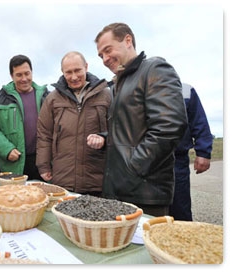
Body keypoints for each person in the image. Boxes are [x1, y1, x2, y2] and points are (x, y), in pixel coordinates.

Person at [94, 22, 187, 217]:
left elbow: (169, 126)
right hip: (118, 190)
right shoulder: (120, 83)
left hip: (145, 193)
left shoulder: (155, 69)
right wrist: (105, 137)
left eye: (108, 50)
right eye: (101, 55)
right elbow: (130, 130)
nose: (104, 58)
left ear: (128, 40)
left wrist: (134, 166)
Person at [36, 51, 111, 196]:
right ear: (62, 72)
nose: (74, 77)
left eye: (78, 70)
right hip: (64, 179)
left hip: (97, 179)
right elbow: (44, 134)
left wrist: (104, 138)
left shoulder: (106, 95)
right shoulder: (52, 99)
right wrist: (43, 166)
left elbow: (117, 130)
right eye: (68, 72)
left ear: (86, 67)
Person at [0, 54, 49, 180]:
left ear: (32, 72)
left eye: (27, 74)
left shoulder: (46, 96)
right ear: (11, 76)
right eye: (19, 75)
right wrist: (6, 149)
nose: (24, 79)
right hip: (13, 164)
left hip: (43, 165)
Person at [169, 83, 213, 221]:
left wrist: (203, 152)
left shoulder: (185, 90)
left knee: (179, 208)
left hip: (176, 160)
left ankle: (184, 239)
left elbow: (199, 121)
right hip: (145, 159)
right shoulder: (138, 85)